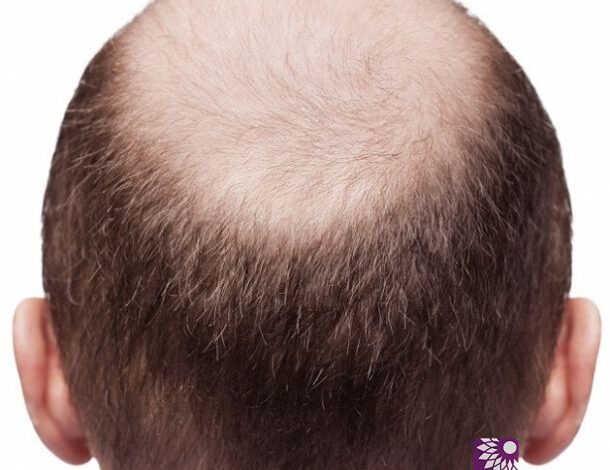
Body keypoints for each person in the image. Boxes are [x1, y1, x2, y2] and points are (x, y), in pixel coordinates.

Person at [13, 0, 601, 468]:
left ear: (49, 383)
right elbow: (491, 455)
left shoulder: (62, 392)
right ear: (563, 383)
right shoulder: (496, 450)